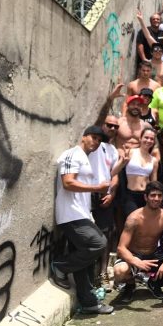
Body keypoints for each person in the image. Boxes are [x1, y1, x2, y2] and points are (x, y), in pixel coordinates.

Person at [51, 125, 113, 314]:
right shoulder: (73, 154)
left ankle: (89, 302)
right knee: (98, 243)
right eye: (93, 137)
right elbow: (68, 183)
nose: (95, 142)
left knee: (87, 260)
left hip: (82, 213)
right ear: (84, 137)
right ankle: (60, 266)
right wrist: (96, 188)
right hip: (70, 215)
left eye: (99, 140)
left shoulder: (85, 158)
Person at [114, 181, 163, 300]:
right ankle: (130, 284)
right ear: (146, 197)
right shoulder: (134, 218)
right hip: (135, 256)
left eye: (159, 196)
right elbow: (121, 248)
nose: (156, 198)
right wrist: (135, 261)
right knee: (119, 271)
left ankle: (154, 282)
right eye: (153, 195)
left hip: (154, 255)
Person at [88, 115, 120, 291]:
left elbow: (114, 174)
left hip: (105, 197)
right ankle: (89, 274)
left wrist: (112, 194)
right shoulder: (94, 143)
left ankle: (102, 274)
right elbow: (98, 117)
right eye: (109, 125)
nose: (113, 129)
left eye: (116, 126)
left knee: (106, 235)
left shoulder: (113, 150)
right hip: (88, 194)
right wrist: (110, 99)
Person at [118, 128, 159, 217]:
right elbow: (116, 170)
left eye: (151, 139)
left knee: (144, 224)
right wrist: (123, 162)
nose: (149, 140)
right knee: (133, 220)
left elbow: (154, 183)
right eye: (146, 137)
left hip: (146, 196)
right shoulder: (130, 152)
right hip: (130, 195)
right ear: (140, 138)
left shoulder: (154, 160)